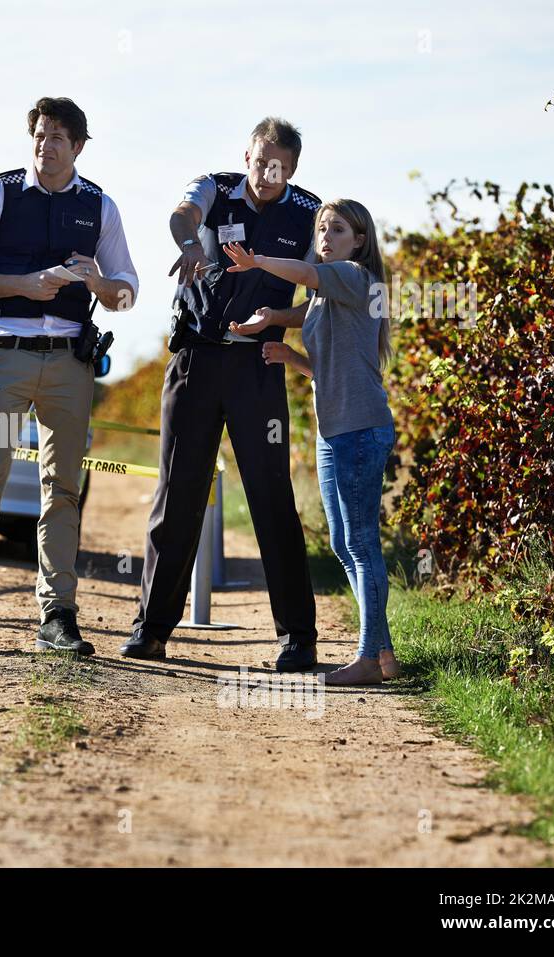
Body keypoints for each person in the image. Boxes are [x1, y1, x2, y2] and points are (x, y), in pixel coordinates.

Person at [0, 96, 138, 657]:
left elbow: (127, 293)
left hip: (70, 366)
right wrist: (24, 284)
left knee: (63, 491)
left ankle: (58, 617)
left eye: (58, 138)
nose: (46, 146)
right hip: (4, 360)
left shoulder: (101, 207)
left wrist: (96, 284)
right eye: (40, 135)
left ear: (78, 146)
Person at [122, 117, 320, 671]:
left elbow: (332, 295)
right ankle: (152, 628)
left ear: (293, 168)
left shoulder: (310, 213)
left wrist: (279, 318)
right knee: (178, 494)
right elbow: (181, 214)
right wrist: (188, 242)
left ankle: (298, 637)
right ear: (248, 154)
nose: (266, 172)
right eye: (260, 160)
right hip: (196, 361)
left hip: (259, 367)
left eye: (278, 165)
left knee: (271, 498)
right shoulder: (212, 186)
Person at [221, 197, 399, 685]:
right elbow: (318, 347)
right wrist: (280, 343)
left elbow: (306, 275)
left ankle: (367, 657)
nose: (325, 236)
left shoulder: (355, 277)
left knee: (361, 544)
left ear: (358, 241)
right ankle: (383, 654)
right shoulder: (328, 296)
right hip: (333, 432)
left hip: (360, 431)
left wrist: (256, 261)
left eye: (336, 229)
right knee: (345, 544)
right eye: (321, 227)